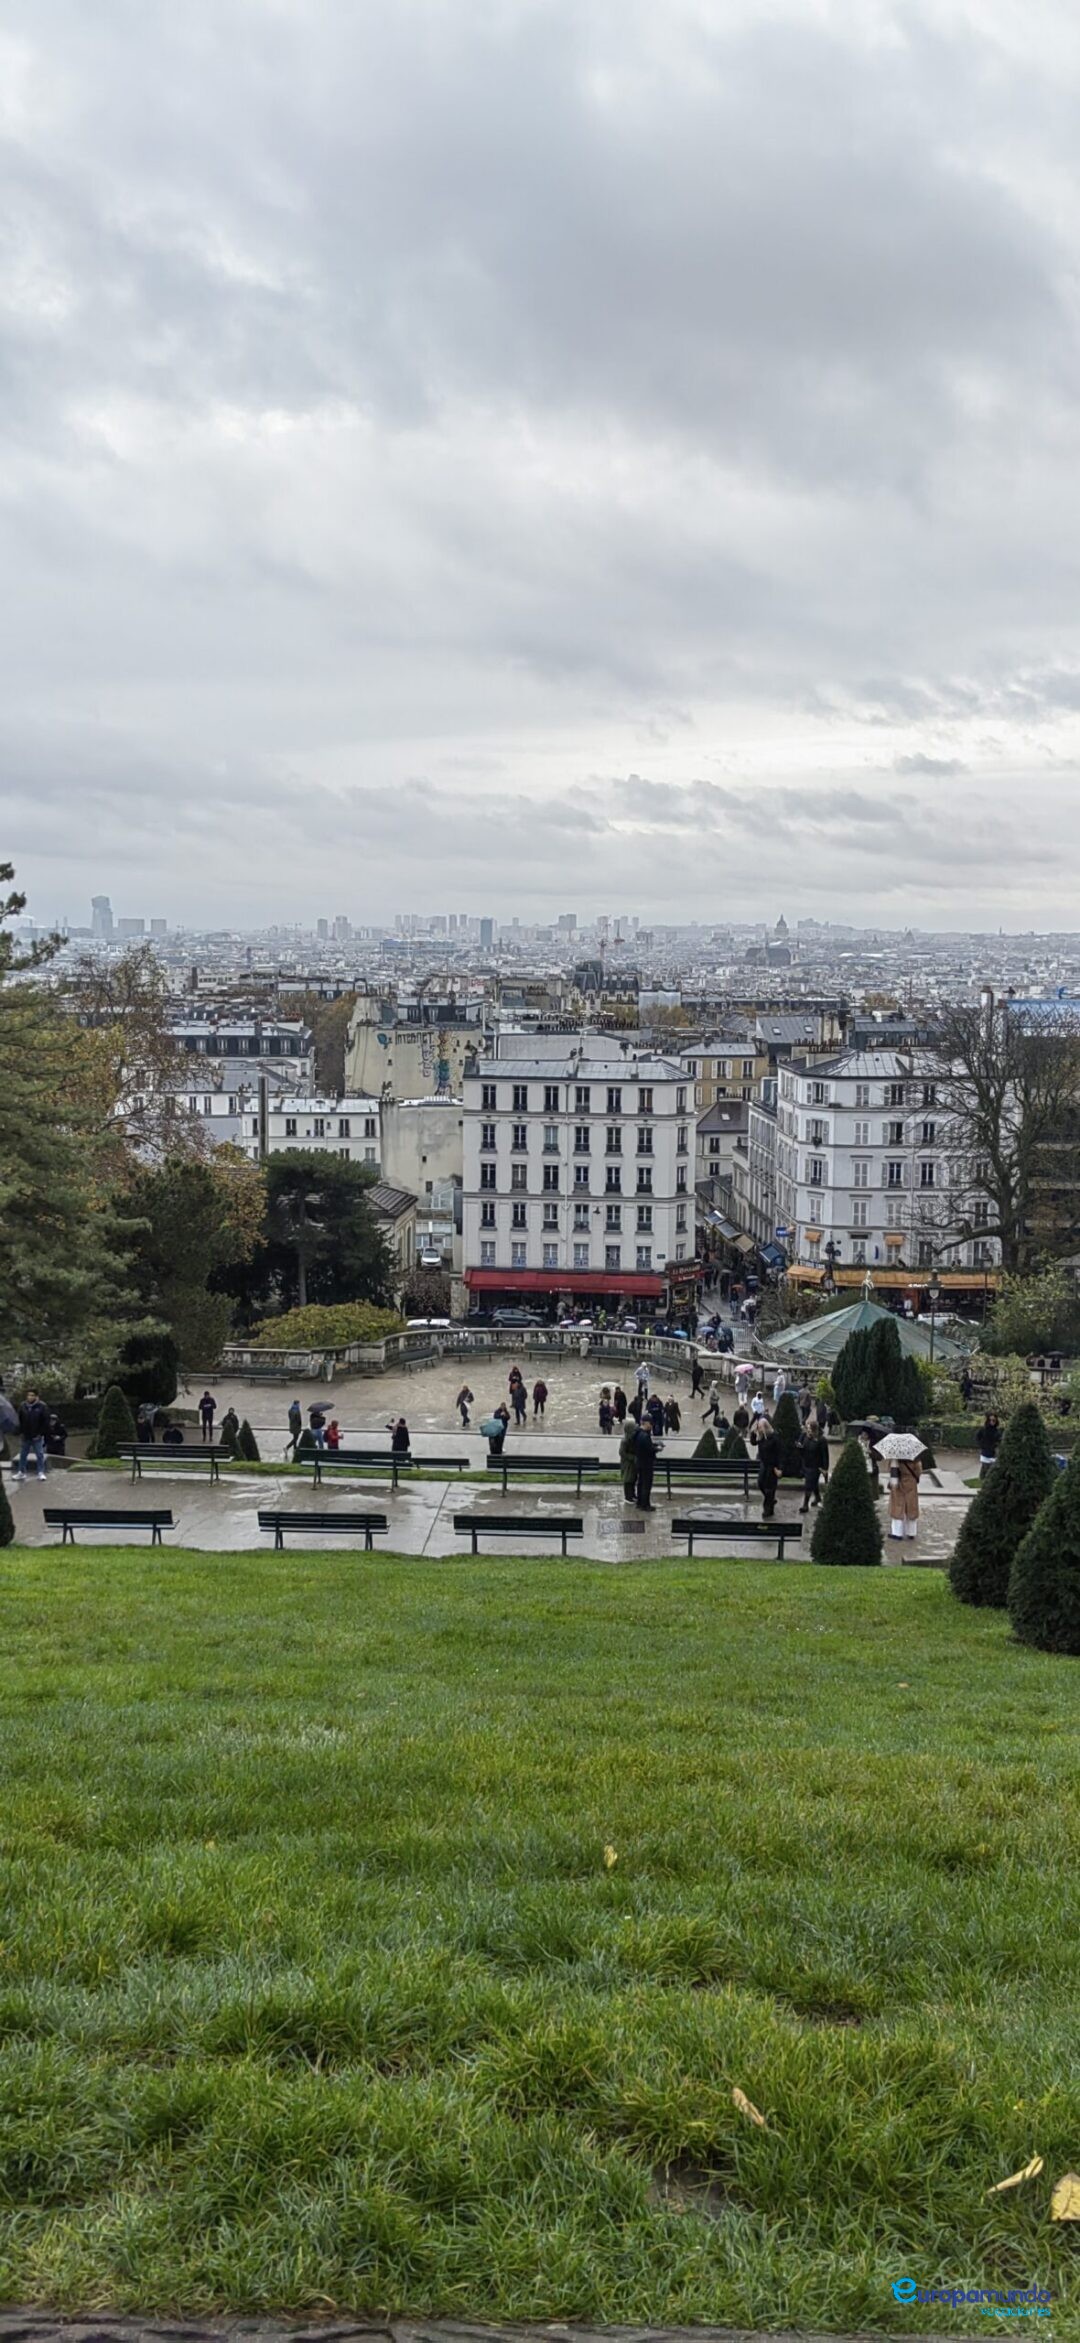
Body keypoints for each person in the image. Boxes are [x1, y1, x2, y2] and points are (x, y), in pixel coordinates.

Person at [14, 1390, 50, 1482]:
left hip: (37, 1435)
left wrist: (41, 1434)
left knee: (39, 1454)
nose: (30, 1397)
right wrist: (20, 1432)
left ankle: (40, 1472)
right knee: (23, 1454)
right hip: (26, 1435)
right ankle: (21, 1472)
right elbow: (19, 1420)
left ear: (36, 1397)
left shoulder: (42, 1406)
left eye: (32, 1395)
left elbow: (45, 1421)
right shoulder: (23, 1406)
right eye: (28, 1395)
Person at [889, 1455, 922, 1541]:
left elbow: (891, 1470)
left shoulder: (895, 1457)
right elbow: (918, 1470)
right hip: (911, 1482)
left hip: (898, 1483)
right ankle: (911, 1532)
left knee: (897, 1506)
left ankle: (897, 1533)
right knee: (911, 1506)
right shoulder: (914, 1457)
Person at [799, 1424, 829, 1512]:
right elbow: (802, 1447)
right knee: (813, 1482)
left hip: (816, 1466)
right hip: (806, 1464)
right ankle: (818, 1498)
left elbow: (825, 1455)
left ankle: (805, 1504)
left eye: (810, 1429)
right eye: (807, 1429)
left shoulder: (821, 1440)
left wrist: (825, 1468)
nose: (808, 1431)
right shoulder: (806, 1437)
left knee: (808, 1484)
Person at [757, 1422, 782, 1519]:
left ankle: (767, 1509)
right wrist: (753, 1435)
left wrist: (779, 1468)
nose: (759, 1429)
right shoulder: (762, 1438)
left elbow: (780, 1454)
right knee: (760, 1483)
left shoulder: (774, 1438)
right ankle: (771, 1500)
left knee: (769, 1489)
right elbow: (754, 1443)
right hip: (764, 1465)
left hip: (772, 1466)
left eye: (760, 1427)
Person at [633, 1418, 659, 1511]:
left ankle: (640, 1503)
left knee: (640, 1483)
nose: (651, 1425)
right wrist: (657, 1449)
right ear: (646, 1423)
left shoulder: (637, 1433)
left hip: (639, 1462)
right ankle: (645, 1505)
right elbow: (649, 1449)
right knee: (646, 1484)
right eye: (650, 1423)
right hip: (646, 1463)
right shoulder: (645, 1436)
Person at [977, 1412, 1002, 1478]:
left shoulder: (997, 1431)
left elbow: (999, 1441)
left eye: (993, 1420)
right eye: (990, 1420)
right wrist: (982, 1446)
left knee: (992, 1472)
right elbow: (977, 1438)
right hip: (985, 1454)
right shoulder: (983, 1430)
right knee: (986, 1471)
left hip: (994, 1454)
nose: (992, 1422)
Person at [619, 1417, 639, 1499]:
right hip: (627, 1463)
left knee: (633, 1478)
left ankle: (632, 1494)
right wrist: (632, 1457)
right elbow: (622, 1452)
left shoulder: (632, 1438)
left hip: (632, 1463)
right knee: (628, 1479)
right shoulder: (625, 1441)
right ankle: (628, 1496)